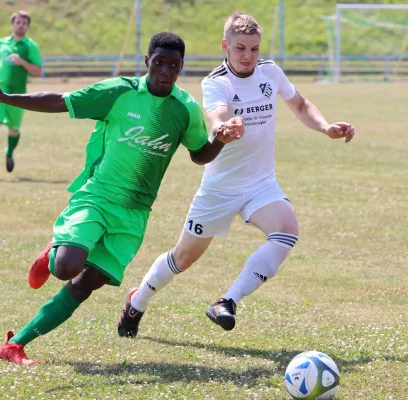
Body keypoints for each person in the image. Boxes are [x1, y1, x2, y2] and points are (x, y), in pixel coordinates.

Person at [0, 32, 244, 365]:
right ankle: (50, 252)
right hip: (98, 196)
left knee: (84, 286)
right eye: (159, 63)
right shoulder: (118, 92)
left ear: (181, 67)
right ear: (147, 62)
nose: (165, 72)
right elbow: (61, 100)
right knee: (65, 266)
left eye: (173, 66)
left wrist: (220, 140)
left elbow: (200, 154)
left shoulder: (184, 109)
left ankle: (15, 345)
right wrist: (5, 98)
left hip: (135, 213)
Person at [117, 12, 355, 336]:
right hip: (219, 188)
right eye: (240, 48)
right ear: (225, 45)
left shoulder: (270, 72)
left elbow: (299, 104)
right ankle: (137, 301)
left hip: (260, 183)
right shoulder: (216, 82)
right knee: (183, 258)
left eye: (254, 49)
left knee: (286, 230)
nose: (248, 56)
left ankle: (226, 302)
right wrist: (226, 128)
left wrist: (326, 127)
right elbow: (217, 117)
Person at [0, 10, 43, 177]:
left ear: (28, 26)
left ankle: (9, 153)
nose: (21, 25)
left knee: (14, 130)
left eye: (24, 23)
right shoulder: (2, 43)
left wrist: (22, 62)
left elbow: (37, 71)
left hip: (17, 95)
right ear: (12, 24)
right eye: (18, 22)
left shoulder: (31, 46)